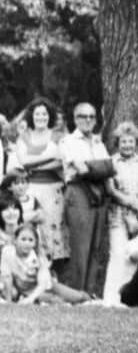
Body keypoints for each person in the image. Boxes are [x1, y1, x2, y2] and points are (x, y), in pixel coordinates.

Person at [60, 101, 113, 295]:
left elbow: (110, 168)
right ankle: (76, 293)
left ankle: (89, 292)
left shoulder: (99, 142)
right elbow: (81, 169)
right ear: (75, 119)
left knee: (96, 245)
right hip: (78, 192)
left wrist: (94, 168)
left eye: (91, 116)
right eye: (83, 116)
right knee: (80, 246)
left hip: (99, 193)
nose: (88, 120)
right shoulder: (68, 141)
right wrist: (100, 167)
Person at [104, 122, 138, 305]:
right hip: (118, 214)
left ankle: (131, 298)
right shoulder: (111, 162)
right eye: (123, 142)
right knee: (118, 254)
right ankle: (111, 298)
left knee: (136, 254)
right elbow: (110, 190)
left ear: (136, 143)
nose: (127, 145)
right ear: (117, 143)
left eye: (130, 141)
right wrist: (130, 201)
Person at [13, 97, 68, 277]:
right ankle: (29, 274)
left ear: (49, 116)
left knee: (53, 233)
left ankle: (54, 275)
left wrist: (34, 165)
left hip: (54, 191)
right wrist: (48, 157)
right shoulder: (24, 136)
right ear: (31, 116)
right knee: (32, 230)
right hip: (31, 190)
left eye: (44, 113)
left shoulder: (58, 135)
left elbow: (62, 161)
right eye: (37, 114)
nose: (41, 117)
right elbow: (23, 161)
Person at [0, 223, 92, 304]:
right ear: (15, 240)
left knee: (76, 297)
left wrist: (30, 299)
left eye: (30, 240)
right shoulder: (7, 252)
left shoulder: (39, 257)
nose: (27, 243)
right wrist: (9, 301)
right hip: (21, 288)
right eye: (23, 239)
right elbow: (6, 276)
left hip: (41, 287)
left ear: (35, 243)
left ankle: (89, 298)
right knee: (54, 301)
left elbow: (43, 283)